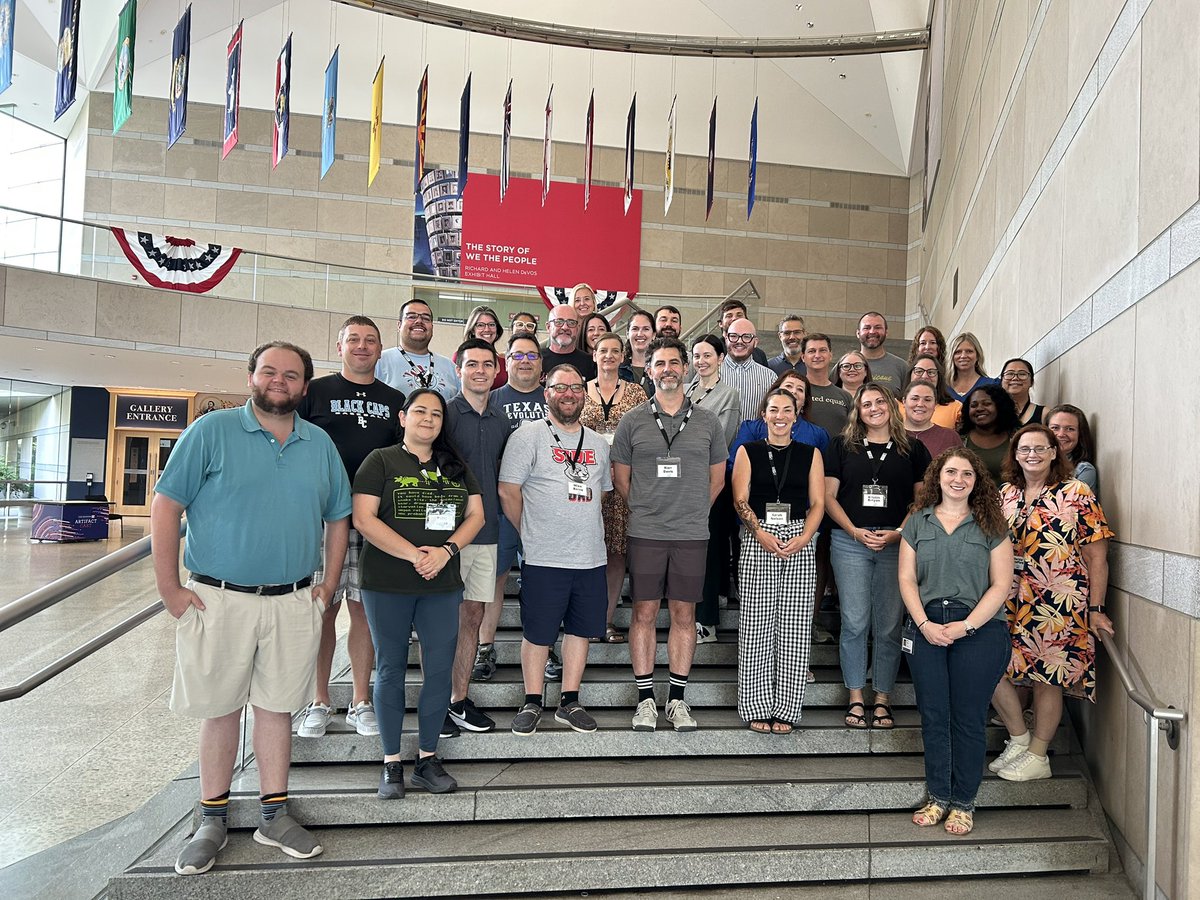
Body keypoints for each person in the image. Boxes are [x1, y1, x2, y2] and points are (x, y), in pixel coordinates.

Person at [151, 341, 352, 875]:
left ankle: (273, 815)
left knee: (277, 709)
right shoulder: (210, 432)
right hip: (219, 599)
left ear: (304, 386)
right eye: (269, 371)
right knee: (220, 710)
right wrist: (169, 588)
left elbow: (338, 516)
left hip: (292, 600)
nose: (278, 381)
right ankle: (211, 819)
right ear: (251, 377)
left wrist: (329, 583)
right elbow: (166, 505)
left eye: (291, 375)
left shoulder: (319, 443)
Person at [352, 389, 485, 800]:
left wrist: (446, 552)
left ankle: (427, 759)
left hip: (441, 584)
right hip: (387, 583)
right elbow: (363, 519)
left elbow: (476, 515)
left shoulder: (455, 465)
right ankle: (391, 762)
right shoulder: (380, 460)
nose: (428, 419)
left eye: (436, 414)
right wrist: (415, 555)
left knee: (440, 671)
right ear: (403, 417)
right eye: (420, 412)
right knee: (390, 668)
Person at [296, 317, 404, 741]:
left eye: (370, 340)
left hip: (371, 518)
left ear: (380, 349)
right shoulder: (315, 392)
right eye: (353, 339)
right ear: (339, 346)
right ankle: (318, 700)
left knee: (363, 609)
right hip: (322, 517)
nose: (362, 346)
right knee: (322, 606)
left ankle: (361, 701)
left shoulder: (394, 399)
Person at [612, 337, 726, 732]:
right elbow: (621, 479)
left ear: (686, 368)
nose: (667, 370)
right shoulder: (632, 421)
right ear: (649, 370)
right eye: (659, 364)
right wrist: (648, 510)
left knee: (684, 614)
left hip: (691, 533)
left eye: (674, 363)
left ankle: (677, 700)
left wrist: (691, 512)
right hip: (646, 532)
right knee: (643, 612)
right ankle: (645, 700)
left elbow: (717, 480)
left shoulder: (708, 421)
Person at [989, 424, 1114, 783]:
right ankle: (1019, 739)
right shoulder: (1006, 494)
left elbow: (1097, 557)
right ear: (1015, 454)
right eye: (1024, 449)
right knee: (994, 668)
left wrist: (1096, 609)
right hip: (1009, 599)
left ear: (1054, 452)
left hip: (1058, 601)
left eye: (1040, 448)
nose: (1032, 455)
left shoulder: (1077, 493)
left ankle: (1038, 754)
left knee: (1048, 678)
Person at [899, 448, 1014, 837]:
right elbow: (906, 579)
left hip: (979, 629)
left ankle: (963, 802)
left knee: (967, 717)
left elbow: (1001, 585)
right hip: (926, 625)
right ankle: (937, 797)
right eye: (951, 472)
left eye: (967, 473)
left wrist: (965, 626)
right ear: (938, 476)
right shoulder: (918, 520)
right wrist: (923, 624)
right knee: (934, 715)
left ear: (977, 481)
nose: (958, 479)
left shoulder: (991, 524)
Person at [499, 365, 613, 735]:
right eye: (560, 387)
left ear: (585, 394)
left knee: (580, 630)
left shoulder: (598, 443)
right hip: (544, 556)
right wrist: (529, 531)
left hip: (590, 555)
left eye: (576, 387)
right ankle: (532, 701)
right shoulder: (527, 436)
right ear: (546, 392)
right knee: (538, 632)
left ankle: (569, 701)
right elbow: (508, 491)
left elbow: (602, 493)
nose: (568, 394)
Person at [823, 384, 931, 730]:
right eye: (866, 403)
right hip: (849, 541)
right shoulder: (841, 446)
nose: (873, 408)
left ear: (891, 406)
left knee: (888, 625)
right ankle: (856, 696)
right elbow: (828, 497)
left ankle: (882, 698)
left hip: (896, 544)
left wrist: (899, 532)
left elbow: (922, 500)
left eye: (880, 401)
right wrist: (854, 531)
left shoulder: (913, 448)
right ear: (857, 410)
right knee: (854, 622)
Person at [731, 388, 825, 734]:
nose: (780, 416)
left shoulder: (811, 453)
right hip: (759, 535)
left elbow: (818, 503)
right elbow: (740, 499)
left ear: (796, 416)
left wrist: (805, 537)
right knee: (756, 624)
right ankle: (756, 704)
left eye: (787, 410)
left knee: (795, 626)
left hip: (800, 535)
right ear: (764, 415)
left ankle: (787, 706)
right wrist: (759, 533)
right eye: (774, 410)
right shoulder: (748, 450)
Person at [443, 339, 511, 738]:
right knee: (439, 622)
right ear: (459, 369)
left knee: (472, 617)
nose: (480, 371)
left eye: (487, 364)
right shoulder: (444, 415)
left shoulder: (502, 421)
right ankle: (436, 702)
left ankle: (458, 699)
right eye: (472, 364)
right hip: (445, 537)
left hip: (486, 534)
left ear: (497, 370)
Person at [478, 333, 549, 683]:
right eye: (517, 355)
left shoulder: (553, 398)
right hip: (501, 505)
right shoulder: (491, 399)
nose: (524, 361)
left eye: (531, 355)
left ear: (541, 362)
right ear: (506, 361)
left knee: (543, 580)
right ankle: (484, 647)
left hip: (546, 508)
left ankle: (544, 647)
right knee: (496, 577)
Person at [580, 333, 648, 642]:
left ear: (623, 356)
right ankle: (584, 618)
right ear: (594, 355)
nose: (608, 355)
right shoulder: (580, 390)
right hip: (585, 484)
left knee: (617, 553)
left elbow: (644, 435)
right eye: (602, 350)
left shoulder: (636, 393)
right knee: (587, 551)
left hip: (622, 482)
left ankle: (605, 621)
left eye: (615, 351)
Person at [688, 334, 743, 645]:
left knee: (709, 553)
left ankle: (706, 623)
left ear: (721, 358)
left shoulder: (728, 395)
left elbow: (721, 438)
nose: (701, 361)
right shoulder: (686, 390)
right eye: (696, 355)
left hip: (712, 481)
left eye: (707, 355)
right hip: (683, 483)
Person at [729, 371, 830, 460]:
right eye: (788, 386)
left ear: (804, 401)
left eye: (800, 389)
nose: (793, 391)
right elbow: (735, 463)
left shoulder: (818, 434)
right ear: (775, 391)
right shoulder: (751, 429)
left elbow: (826, 470)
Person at [376, 299, 461, 400]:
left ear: (432, 327)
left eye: (426, 318)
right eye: (411, 317)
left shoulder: (450, 367)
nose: (419, 321)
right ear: (399, 325)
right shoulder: (379, 361)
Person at [958, 384, 1020, 484]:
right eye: (974, 405)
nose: (979, 408)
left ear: (1000, 406)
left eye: (987, 404)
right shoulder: (959, 439)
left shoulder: (1017, 437)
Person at [720, 317, 777, 422]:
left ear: (755, 342)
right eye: (734, 336)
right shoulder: (712, 372)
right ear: (726, 339)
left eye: (746, 337)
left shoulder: (770, 378)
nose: (739, 341)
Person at [802, 333, 852, 438]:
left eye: (823, 350)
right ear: (803, 357)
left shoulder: (845, 396)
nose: (817, 355)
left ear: (830, 355)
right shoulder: (797, 391)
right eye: (812, 351)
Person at [1046, 404, 1099, 495]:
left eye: (1070, 429)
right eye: (1055, 428)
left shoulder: (1084, 470)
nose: (1061, 434)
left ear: (1080, 434)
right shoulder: (1032, 462)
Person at [903, 381, 962, 458]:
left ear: (935, 404)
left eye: (927, 400)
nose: (920, 404)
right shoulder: (891, 434)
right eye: (915, 399)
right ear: (904, 401)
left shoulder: (950, 437)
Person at [855, 312, 908, 395]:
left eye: (878, 327)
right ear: (858, 333)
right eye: (867, 328)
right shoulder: (845, 366)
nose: (872, 332)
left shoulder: (901, 367)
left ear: (886, 332)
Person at [542, 303, 597, 380]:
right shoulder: (535, 359)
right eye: (559, 322)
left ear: (577, 329)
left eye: (571, 323)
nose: (565, 327)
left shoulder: (591, 363)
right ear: (548, 327)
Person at [457, 305, 507, 389]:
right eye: (480, 325)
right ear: (472, 330)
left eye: (491, 324)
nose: (487, 329)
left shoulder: (503, 362)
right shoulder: (460, 356)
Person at [908, 354, 961, 429]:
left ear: (939, 377)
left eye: (931, 372)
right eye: (919, 371)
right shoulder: (895, 405)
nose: (924, 376)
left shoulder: (955, 407)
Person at [716, 298, 770, 366]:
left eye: (739, 315)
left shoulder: (759, 354)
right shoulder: (713, 350)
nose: (734, 318)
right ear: (720, 323)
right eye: (729, 316)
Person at [947, 332, 998, 402]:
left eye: (969, 351)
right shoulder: (942, 389)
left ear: (978, 356)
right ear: (952, 356)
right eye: (958, 352)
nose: (963, 356)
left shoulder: (992, 385)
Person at [619, 308, 656, 394]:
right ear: (627, 334)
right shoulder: (618, 368)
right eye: (635, 329)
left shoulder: (661, 368)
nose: (640, 334)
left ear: (653, 335)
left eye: (646, 329)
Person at [999, 357, 1044, 427]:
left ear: (1031, 381)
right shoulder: (991, 411)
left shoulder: (1044, 414)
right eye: (1010, 374)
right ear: (1001, 381)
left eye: (1022, 374)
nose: (1015, 378)